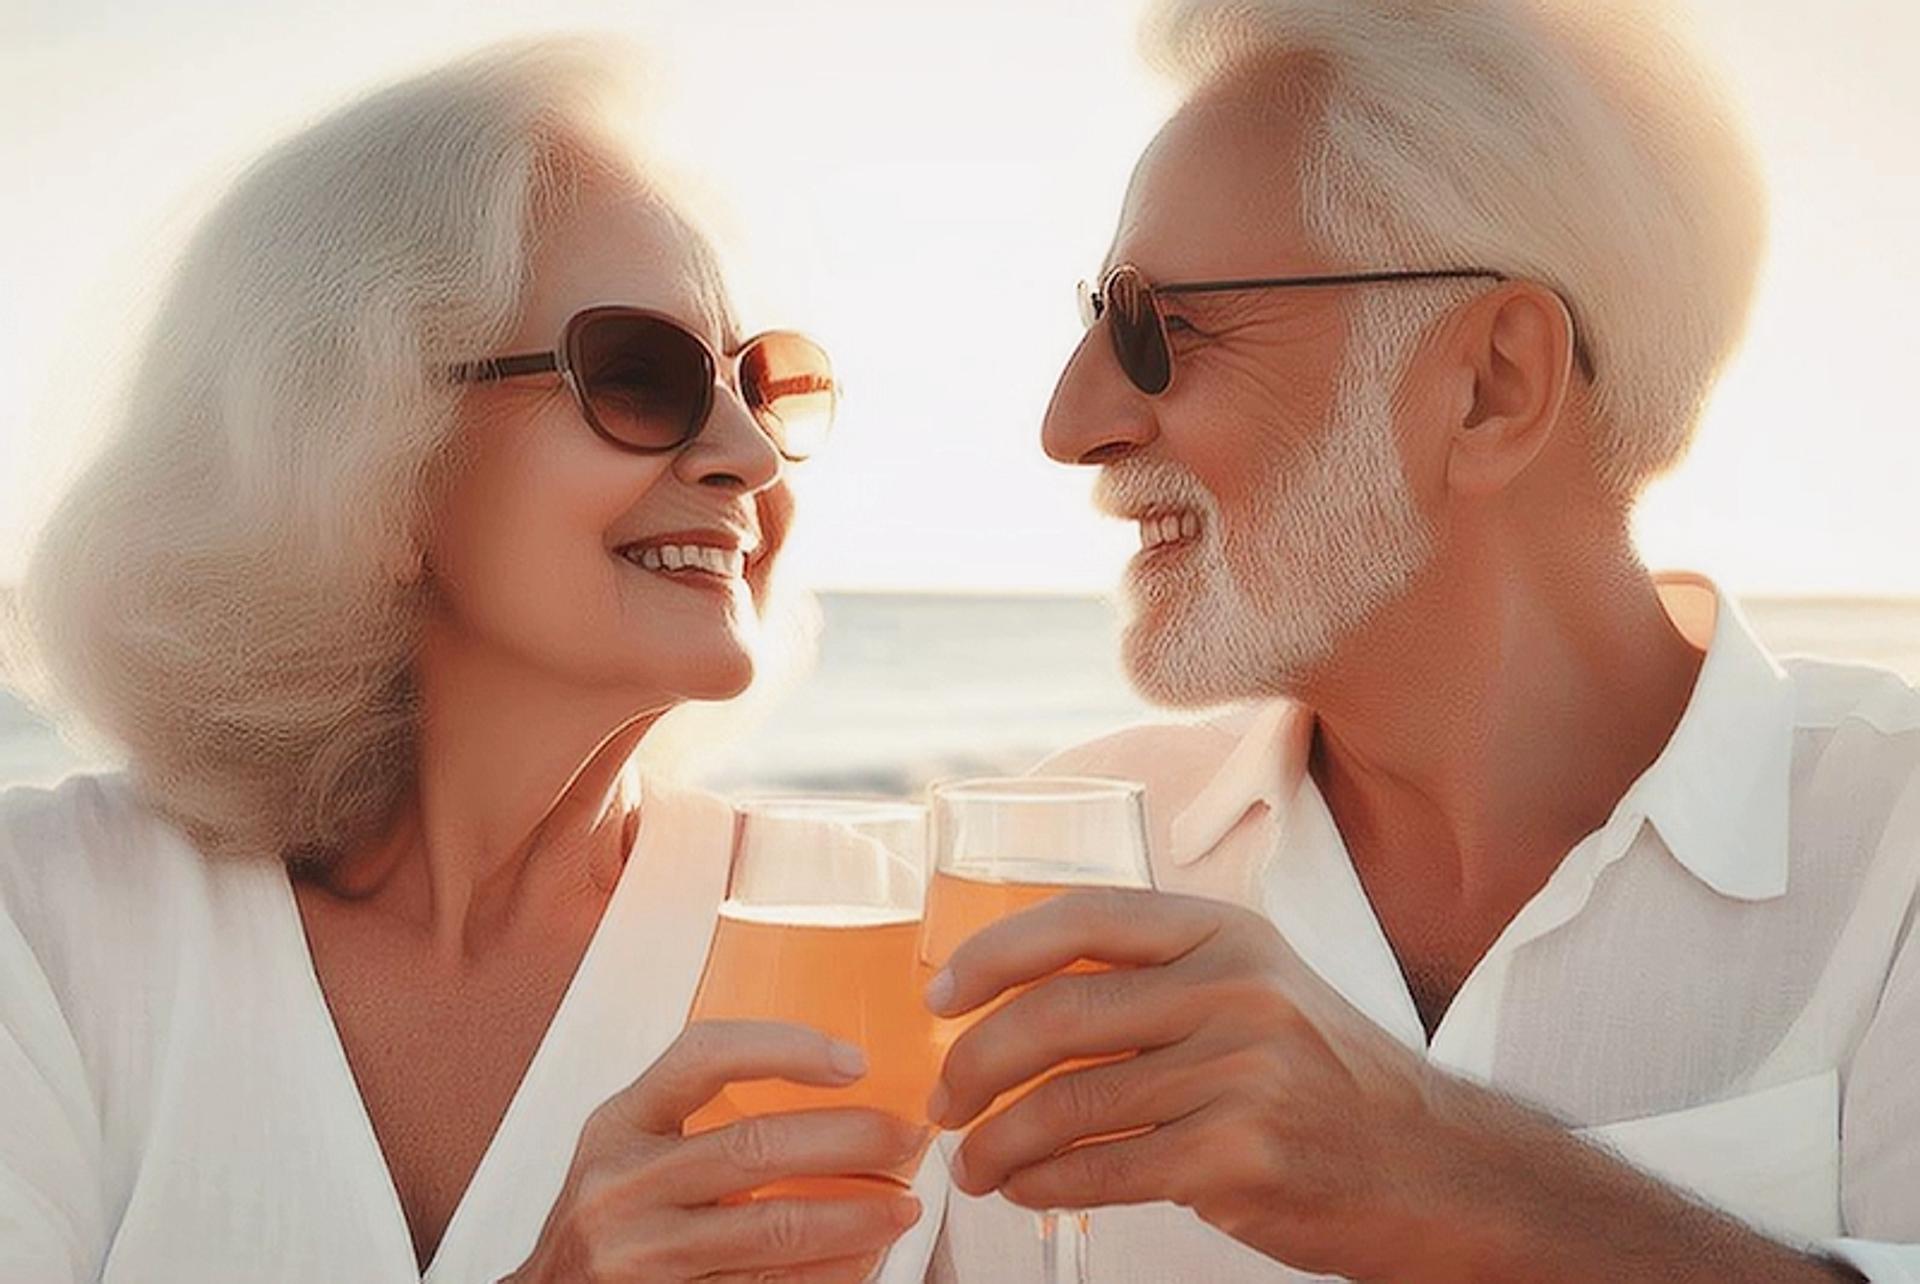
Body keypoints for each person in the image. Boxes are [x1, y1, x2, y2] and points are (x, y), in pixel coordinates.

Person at [924, 1, 1920, 1280]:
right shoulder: (1048, 872)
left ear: (1492, 385)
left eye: (1157, 329)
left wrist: (1451, 1176)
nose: (1074, 422)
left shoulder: (1897, 858)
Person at [0, 38, 938, 1283]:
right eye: (640, 376)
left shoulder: (882, 937)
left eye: (762, 387)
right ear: (367, 464)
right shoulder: (50, 919)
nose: (750, 460)